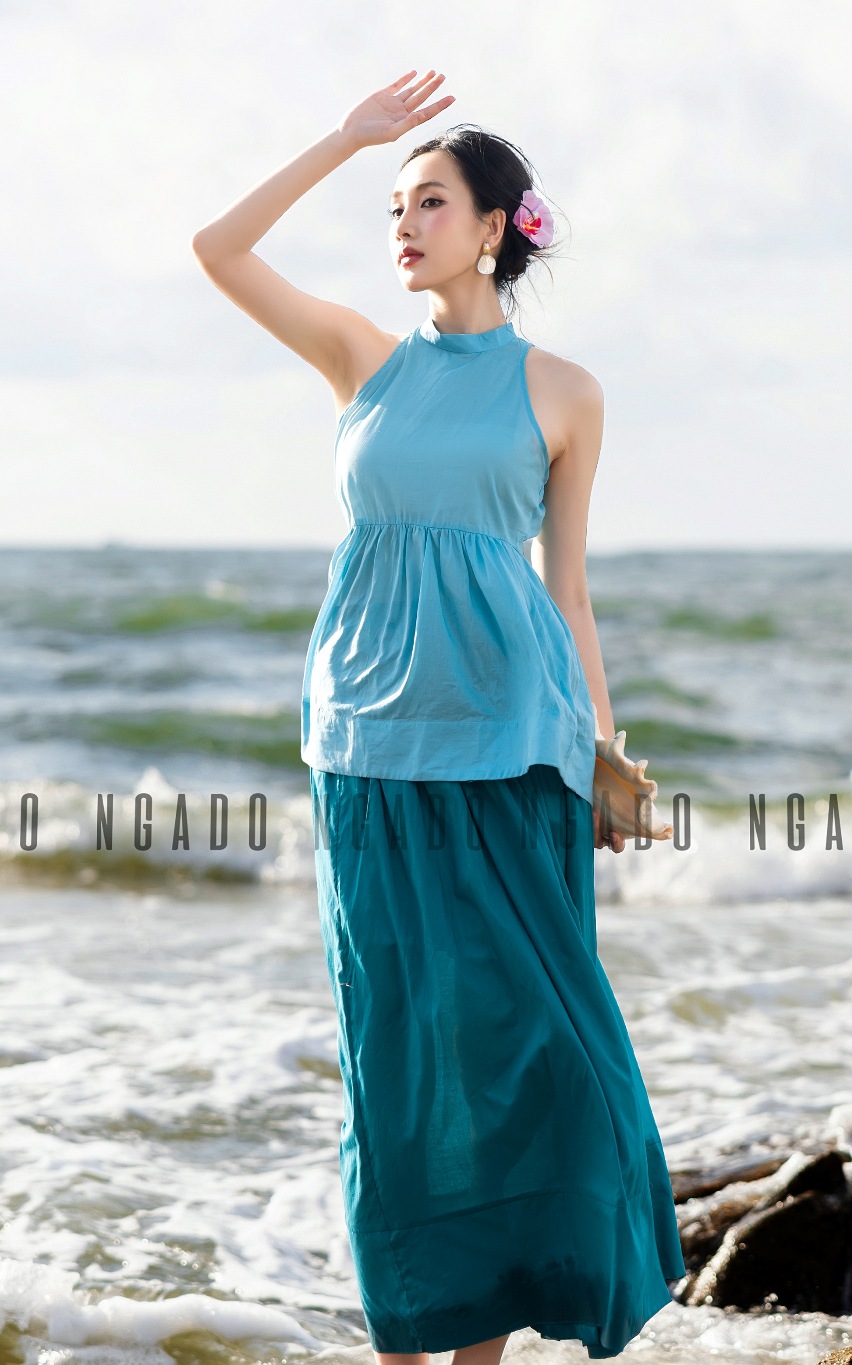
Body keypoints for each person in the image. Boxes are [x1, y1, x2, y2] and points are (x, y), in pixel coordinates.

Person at [191, 67, 685, 1365]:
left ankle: (489, 1347)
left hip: (516, 750)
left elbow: (565, 590)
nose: (403, 225)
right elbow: (218, 250)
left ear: (495, 227)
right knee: (400, 1057)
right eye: (395, 207)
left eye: (430, 202)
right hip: (367, 746)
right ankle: (406, 1344)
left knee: (540, 1045)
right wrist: (345, 139)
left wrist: (604, 749)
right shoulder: (362, 358)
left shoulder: (565, 391)